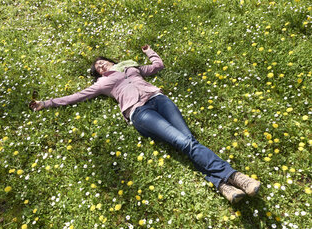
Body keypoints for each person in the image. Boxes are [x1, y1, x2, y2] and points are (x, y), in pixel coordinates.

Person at [29, 45, 260, 203]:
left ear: (111, 60)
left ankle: (222, 185)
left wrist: (150, 52)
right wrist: (45, 103)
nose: (100, 65)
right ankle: (235, 176)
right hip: (139, 112)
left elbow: (157, 67)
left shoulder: (131, 67)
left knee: (189, 142)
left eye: (102, 61)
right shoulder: (101, 84)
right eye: (96, 67)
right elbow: (75, 96)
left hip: (159, 100)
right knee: (185, 143)